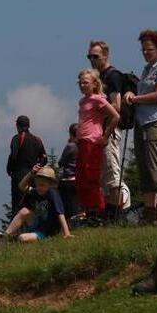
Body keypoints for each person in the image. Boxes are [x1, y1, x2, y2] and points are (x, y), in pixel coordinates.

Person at [124, 30, 157, 224]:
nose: (145, 52)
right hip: (142, 122)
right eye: (143, 49)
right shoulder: (146, 70)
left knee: (156, 167)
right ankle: (150, 213)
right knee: (144, 169)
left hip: (156, 121)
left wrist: (135, 99)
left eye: (149, 49)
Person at [87, 40, 125, 218]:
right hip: (99, 131)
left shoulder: (112, 76)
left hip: (108, 131)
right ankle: (110, 213)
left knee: (112, 173)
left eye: (95, 56)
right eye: (89, 57)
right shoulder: (99, 77)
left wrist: (99, 113)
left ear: (105, 56)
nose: (92, 60)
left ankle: (117, 213)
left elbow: (116, 106)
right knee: (104, 174)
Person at [76, 69, 120, 216]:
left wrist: (105, 136)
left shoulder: (98, 99)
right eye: (81, 83)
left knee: (91, 176)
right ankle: (87, 209)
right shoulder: (83, 101)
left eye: (86, 83)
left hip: (93, 141)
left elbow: (115, 116)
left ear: (94, 84)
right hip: (82, 141)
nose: (83, 85)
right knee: (81, 177)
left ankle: (98, 209)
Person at [0, 165, 73, 242]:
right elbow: (21, 186)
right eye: (37, 185)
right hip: (37, 224)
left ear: (51, 184)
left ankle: (14, 239)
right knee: (24, 211)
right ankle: (5, 237)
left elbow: (60, 213)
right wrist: (31, 173)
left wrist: (66, 233)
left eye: (42, 185)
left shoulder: (52, 193)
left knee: (22, 238)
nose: (39, 187)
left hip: (46, 232)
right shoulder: (37, 192)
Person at [5, 115, 47, 216]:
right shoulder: (37, 139)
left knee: (18, 204)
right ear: (28, 125)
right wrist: (37, 167)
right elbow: (44, 158)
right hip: (33, 175)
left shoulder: (16, 138)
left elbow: (13, 156)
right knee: (31, 203)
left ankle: (17, 230)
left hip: (19, 174)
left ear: (17, 125)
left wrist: (9, 169)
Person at [58, 123, 79, 219]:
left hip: (67, 179)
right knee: (76, 204)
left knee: (66, 205)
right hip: (78, 179)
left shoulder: (70, 146)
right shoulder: (82, 146)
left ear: (71, 133)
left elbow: (61, 162)